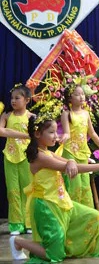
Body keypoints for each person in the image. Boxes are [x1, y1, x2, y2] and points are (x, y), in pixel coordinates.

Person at [9, 115, 99, 262]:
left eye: (56, 132)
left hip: (61, 202)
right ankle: (18, 242)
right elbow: (71, 167)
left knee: (94, 217)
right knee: (54, 256)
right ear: (38, 134)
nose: (56, 136)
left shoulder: (48, 153)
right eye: (52, 132)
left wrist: (71, 160)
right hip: (47, 206)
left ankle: (60, 246)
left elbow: (70, 163)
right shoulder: (40, 157)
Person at [60, 85, 99, 208]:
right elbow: (66, 132)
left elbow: (92, 133)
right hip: (70, 152)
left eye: (82, 94)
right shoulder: (66, 114)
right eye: (77, 94)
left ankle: (87, 219)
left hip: (83, 152)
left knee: (85, 187)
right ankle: (73, 218)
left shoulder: (86, 113)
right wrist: (62, 138)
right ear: (70, 98)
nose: (81, 97)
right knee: (74, 186)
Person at [0, 84, 33, 235]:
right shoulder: (6, 116)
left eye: (17, 98)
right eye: (12, 98)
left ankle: (29, 222)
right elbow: (2, 131)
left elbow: (37, 136)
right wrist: (25, 135)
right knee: (13, 191)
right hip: (10, 156)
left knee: (27, 189)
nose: (13, 101)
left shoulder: (31, 117)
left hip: (27, 157)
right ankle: (15, 224)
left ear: (26, 100)